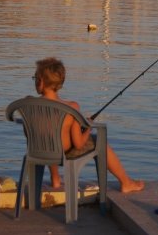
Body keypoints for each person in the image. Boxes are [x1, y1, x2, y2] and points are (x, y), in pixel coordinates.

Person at [34, 57, 144, 194]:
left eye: (35, 78)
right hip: (65, 153)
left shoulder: (30, 105)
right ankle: (126, 183)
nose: (34, 81)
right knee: (99, 141)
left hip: (38, 150)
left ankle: (55, 178)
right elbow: (79, 144)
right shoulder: (71, 108)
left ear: (41, 82)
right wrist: (88, 127)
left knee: (49, 134)